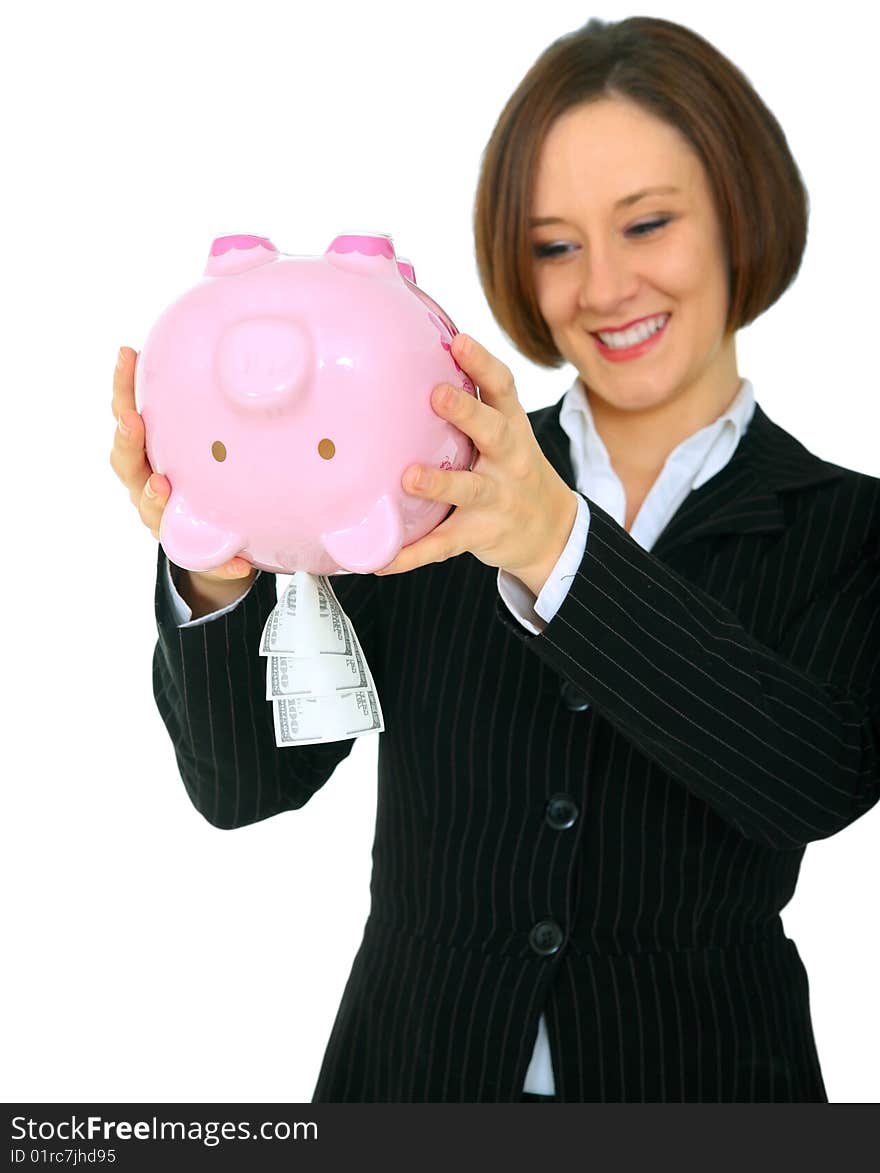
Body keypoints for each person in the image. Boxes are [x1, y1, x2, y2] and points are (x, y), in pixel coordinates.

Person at [110, 15, 880, 1102]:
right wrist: (221, 566)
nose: (603, 287)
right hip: (414, 1083)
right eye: (555, 244)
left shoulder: (847, 526)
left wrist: (552, 544)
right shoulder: (427, 484)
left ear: (738, 217)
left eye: (647, 224)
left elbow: (810, 781)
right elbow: (247, 787)